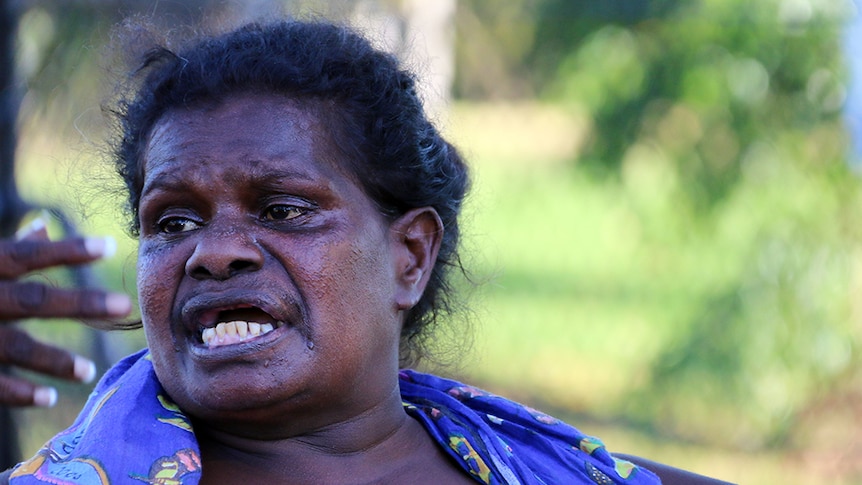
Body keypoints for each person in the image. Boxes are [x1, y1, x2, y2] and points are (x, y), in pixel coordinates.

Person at [0, 19, 734, 485]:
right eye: (171, 222)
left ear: (410, 256)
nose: (214, 253)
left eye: (283, 209)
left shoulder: (555, 469)